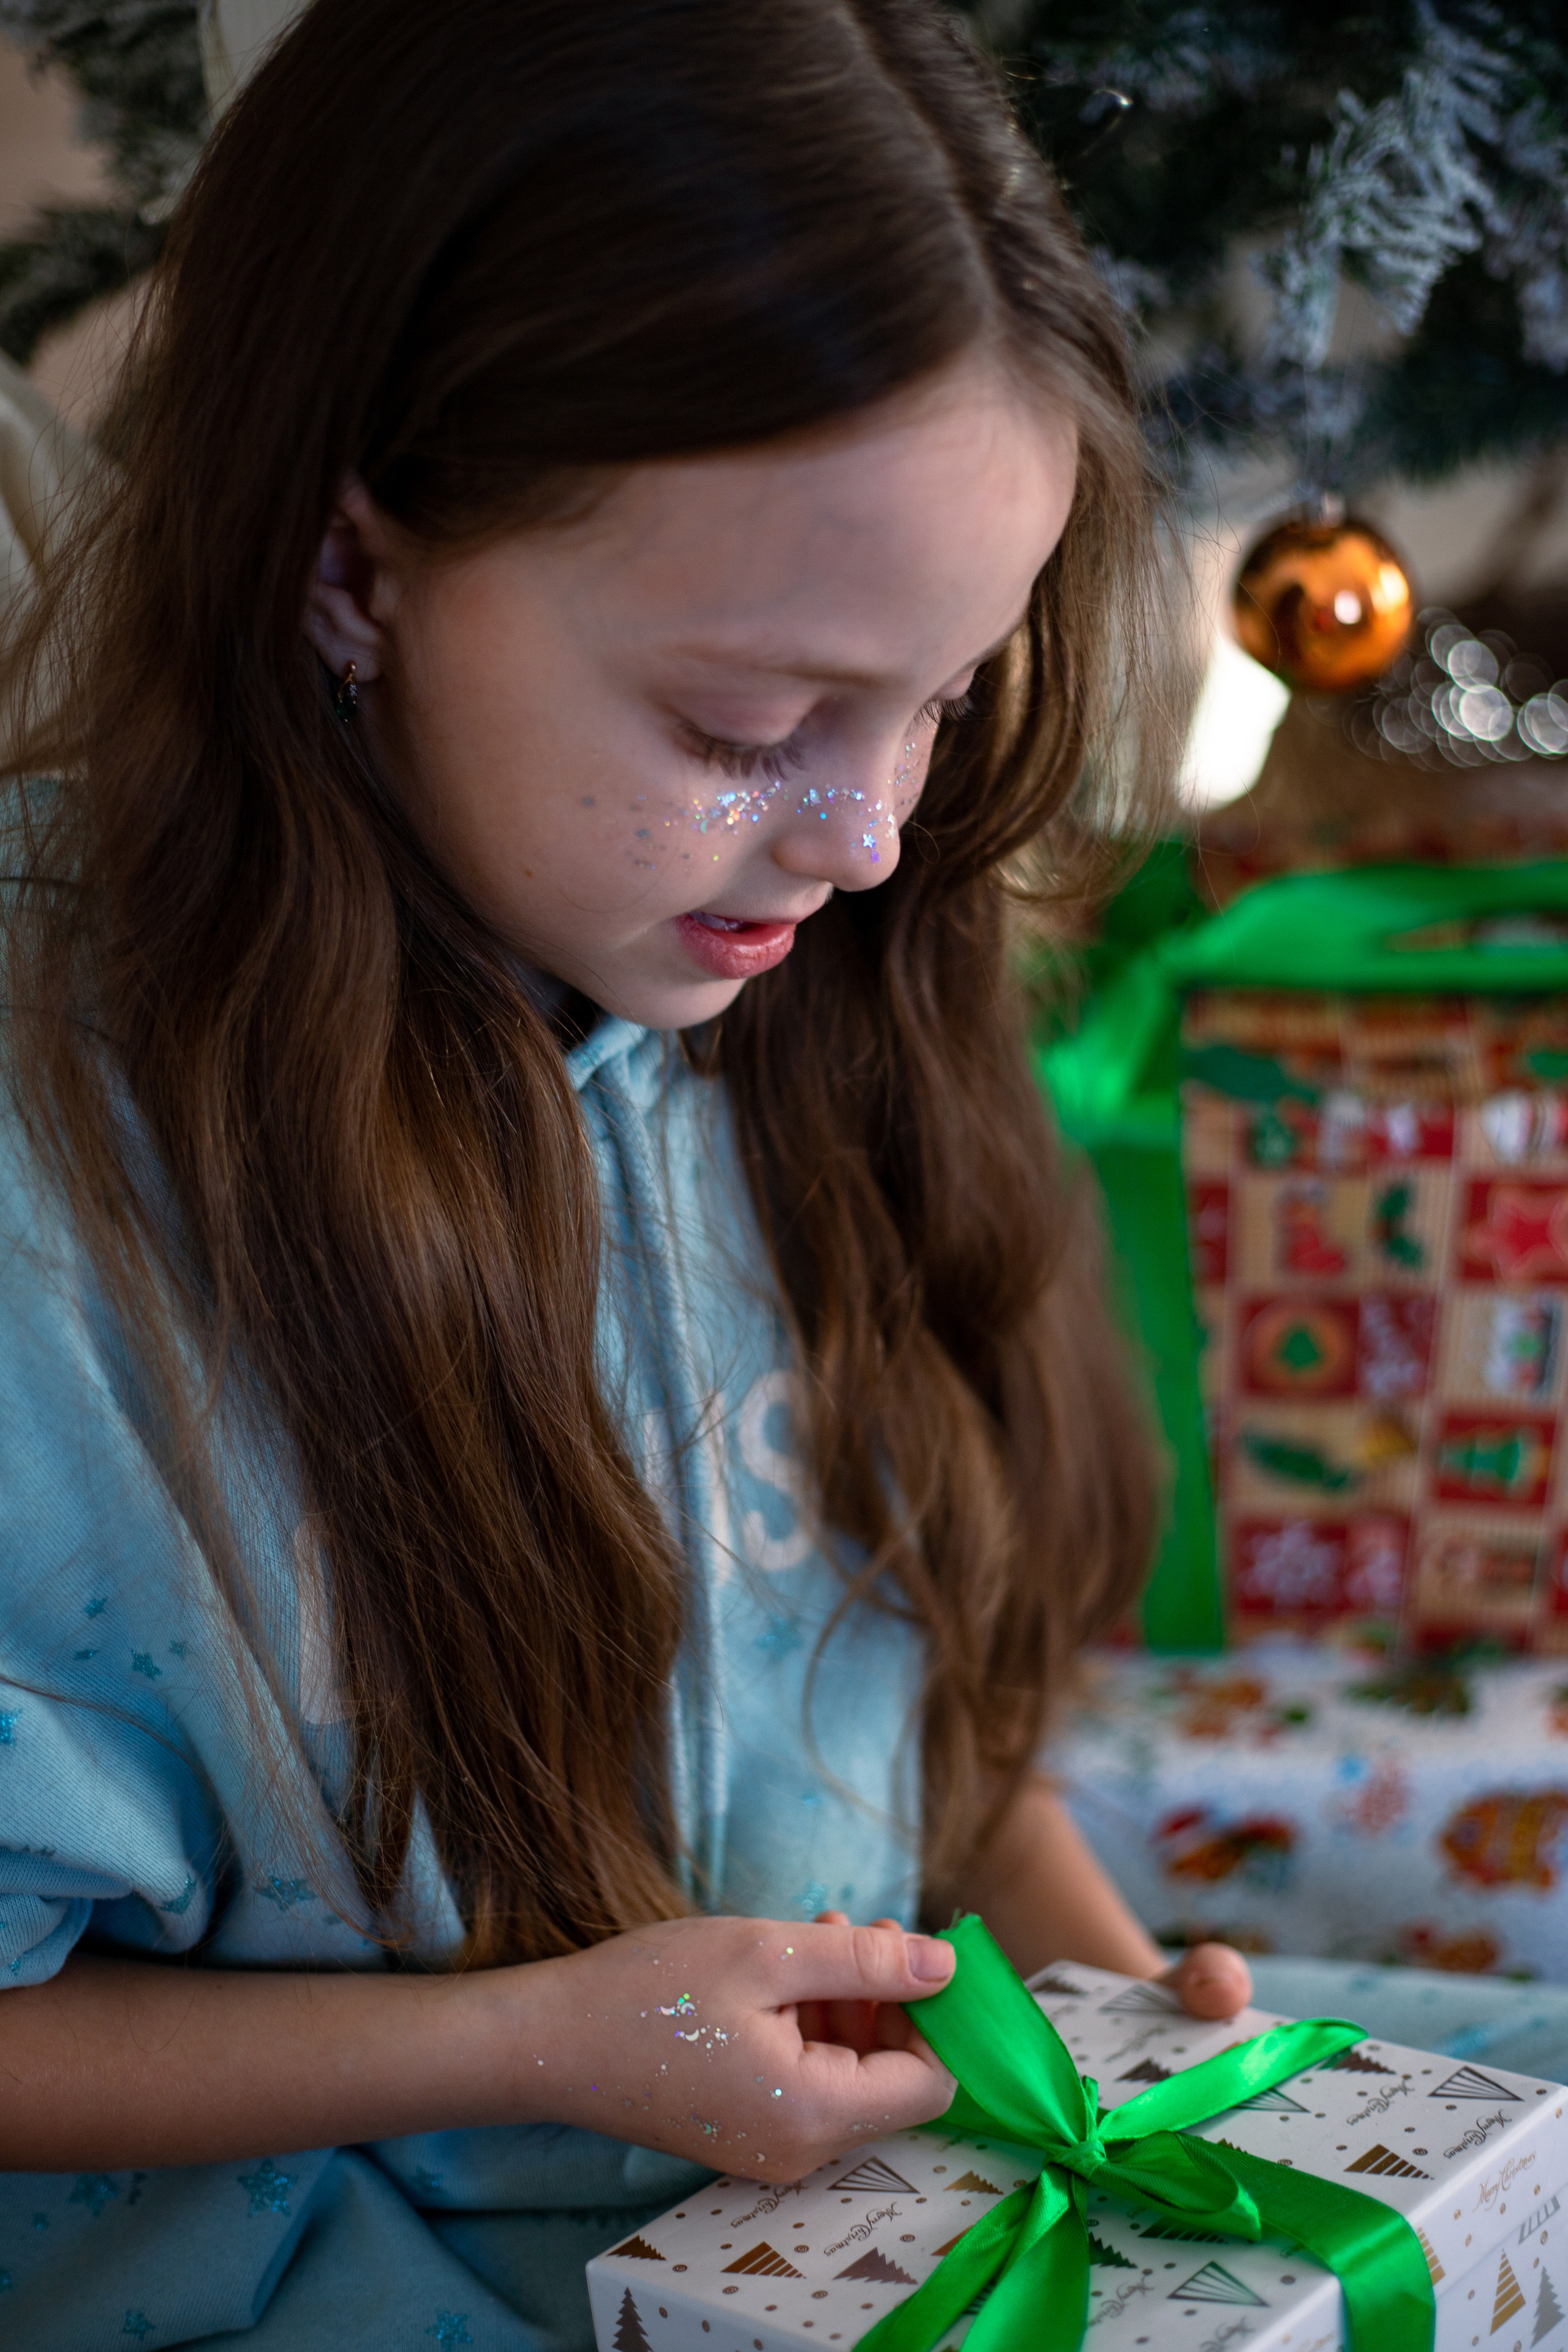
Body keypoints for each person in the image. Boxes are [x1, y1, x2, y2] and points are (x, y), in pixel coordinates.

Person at [0, 2, 1250, 2342]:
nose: (873, 837)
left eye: (948, 694)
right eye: (747, 727)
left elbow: (916, 1727)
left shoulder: (809, 989)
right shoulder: (50, 1189)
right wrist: (525, 2044)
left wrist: (1104, 2007)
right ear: (346, 569)